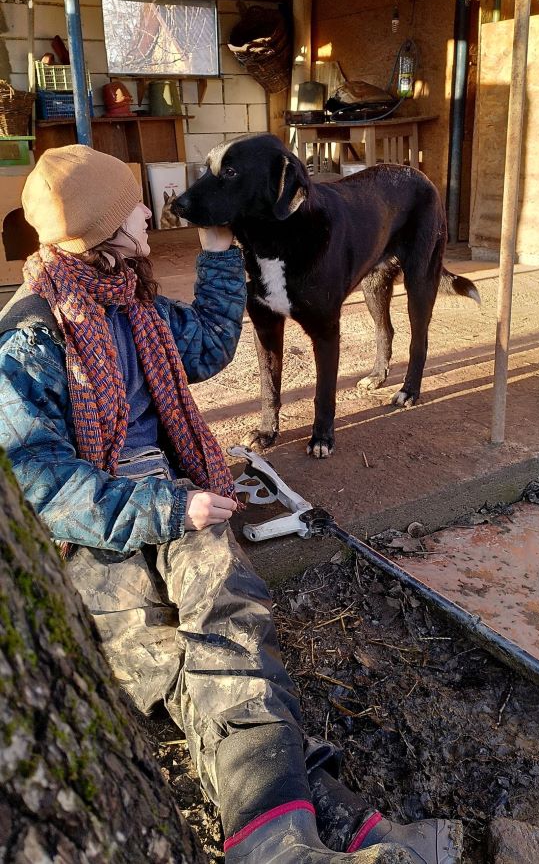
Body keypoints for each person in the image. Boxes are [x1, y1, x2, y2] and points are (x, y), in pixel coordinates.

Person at [0, 145, 463, 864]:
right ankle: (330, 822)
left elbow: (213, 345)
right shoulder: (28, 336)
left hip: (175, 491)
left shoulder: (134, 301)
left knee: (231, 617)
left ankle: (290, 834)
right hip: (96, 527)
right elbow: (45, 487)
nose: (151, 211)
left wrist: (219, 248)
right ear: (98, 230)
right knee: (154, 652)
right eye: (133, 207)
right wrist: (166, 511)